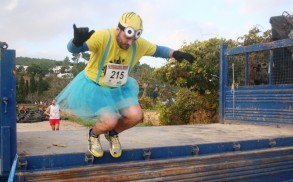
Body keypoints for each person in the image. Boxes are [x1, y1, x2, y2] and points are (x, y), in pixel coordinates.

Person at [56, 12, 195, 158]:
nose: (130, 43)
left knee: (135, 116)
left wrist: (175, 53)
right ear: (118, 30)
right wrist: (76, 42)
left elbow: (158, 50)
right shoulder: (103, 36)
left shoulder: (137, 44)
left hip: (119, 88)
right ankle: (93, 135)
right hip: (94, 87)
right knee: (110, 121)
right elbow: (74, 49)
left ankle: (112, 134)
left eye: (134, 39)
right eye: (127, 37)